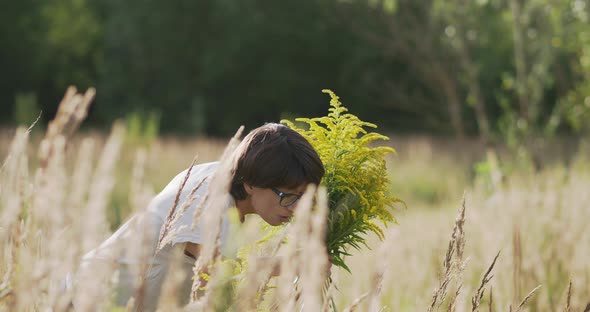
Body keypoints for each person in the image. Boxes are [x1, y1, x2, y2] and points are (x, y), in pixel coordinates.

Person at [69, 123, 325, 311]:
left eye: (305, 197)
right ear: (251, 184)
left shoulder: (226, 190)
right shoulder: (211, 196)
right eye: (288, 196)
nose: (296, 208)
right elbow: (218, 279)